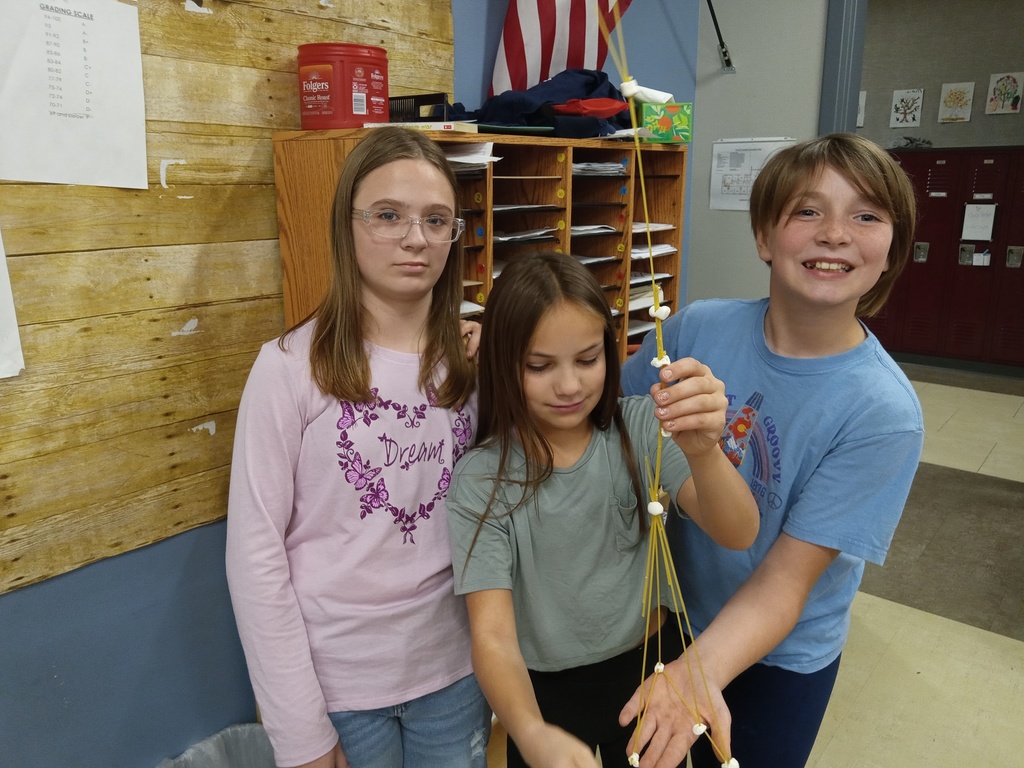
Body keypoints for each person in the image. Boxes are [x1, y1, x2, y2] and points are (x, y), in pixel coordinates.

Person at [619, 133, 925, 768]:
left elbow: (786, 583)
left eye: (866, 215)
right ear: (763, 237)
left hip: (782, 656)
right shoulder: (698, 326)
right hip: (669, 611)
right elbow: (606, 414)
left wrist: (692, 675)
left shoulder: (883, 412)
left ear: (890, 249)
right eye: (807, 211)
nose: (835, 233)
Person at [225, 127, 491, 768]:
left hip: (454, 671)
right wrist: (300, 732)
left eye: (437, 220)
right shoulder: (289, 369)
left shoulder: (476, 358)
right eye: (388, 216)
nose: (415, 238)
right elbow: (255, 556)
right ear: (348, 224)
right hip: (338, 688)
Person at [446, 251, 760, 768]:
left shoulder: (640, 428)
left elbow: (738, 531)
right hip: (541, 693)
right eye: (539, 366)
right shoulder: (483, 479)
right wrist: (527, 731)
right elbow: (493, 634)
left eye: (588, 360)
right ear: (501, 363)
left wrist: (704, 451)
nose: (569, 386)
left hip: (649, 675)